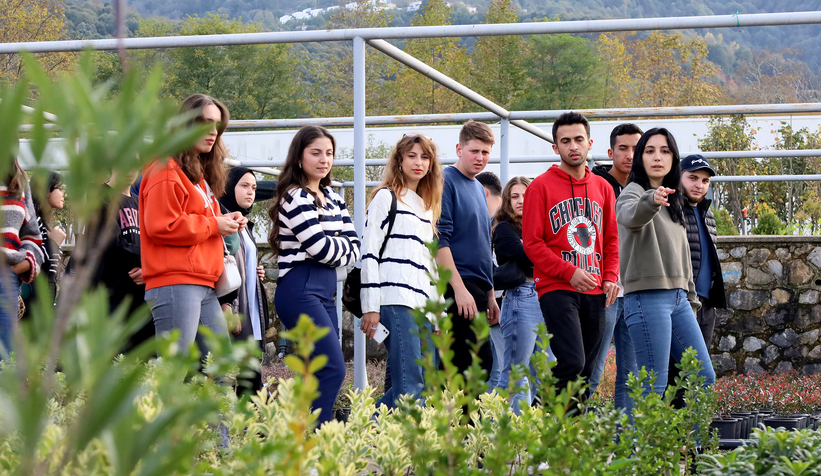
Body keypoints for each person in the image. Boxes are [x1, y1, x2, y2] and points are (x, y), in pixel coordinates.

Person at [615, 128, 716, 415]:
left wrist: (692, 300)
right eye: (649, 151)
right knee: (653, 386)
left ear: (673, 157)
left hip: (679, 300)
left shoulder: (676, 202)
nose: (657, 157)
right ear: (640, 157)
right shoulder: (632, 192)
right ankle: (637, 456)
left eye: (665, 150)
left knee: (703, 377)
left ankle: (696, 454)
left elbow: (683, 258)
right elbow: (630, 217)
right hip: (647, 299)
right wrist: (652, 199)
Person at [522, 112, 619, 404]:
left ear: (590, 143)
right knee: (573, 361)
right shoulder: (540, 186)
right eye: (565, 141)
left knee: (586, 371)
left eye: (579, 139)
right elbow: (532, 244)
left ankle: (567, 436)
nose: (573, 146)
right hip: (557, 287)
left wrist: (611, 277)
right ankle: (541, 410)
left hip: (595, 289)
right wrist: (569, 272)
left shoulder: (603, 188)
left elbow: (612, 239)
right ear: (556, 148)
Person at [140, 94, 246, 357]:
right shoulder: (165, 170)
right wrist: (214, 225)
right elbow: (161, 225)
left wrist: (226, 220)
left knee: (221, 370)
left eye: (217, 126)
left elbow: (196, 218)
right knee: (173, 371)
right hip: (177, 282)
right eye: (205, 123)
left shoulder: (194, 175)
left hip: (201, 283)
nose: (213, 132)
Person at [269, 125, 360, 425]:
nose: (324, 160)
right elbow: (319, 248)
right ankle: (318, 436)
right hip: (299, 288)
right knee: (332, 368)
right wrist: (341, 250)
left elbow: (355, 246)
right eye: (316, 153)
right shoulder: (294, 196)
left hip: (324, 290)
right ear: (299, 157)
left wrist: (339, 250)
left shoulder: (333, 195)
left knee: (315, 371)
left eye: (329, 153)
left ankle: (293, 435)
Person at [359, 133, 442, 409]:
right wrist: (370, 306)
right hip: (395, 300)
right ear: (399, 160)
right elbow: (369, 252)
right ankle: (383, 440)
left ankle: (370, 436)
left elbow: (429, 264)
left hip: (423, 305)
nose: (419, 162)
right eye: (412, 156)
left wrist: (438, 313)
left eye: (425, 157)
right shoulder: (386, 197)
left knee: (424, 383)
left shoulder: (427, 207)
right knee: (411, 385)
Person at [436, 120, 500, 379]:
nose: (480, 157)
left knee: (479, 366)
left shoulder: (477, 187)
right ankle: (454, 420)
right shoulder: (445, 180)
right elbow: (440, 239)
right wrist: (459, 290)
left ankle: (462, 419)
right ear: (459, 148)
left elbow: (484, 245)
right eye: (474, 151)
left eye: (485, 152)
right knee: (470, 365)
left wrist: (491, 294)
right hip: (457, 285)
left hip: (478, 289)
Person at [588, 123, 642, 399]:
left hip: (635, 290)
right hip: (603, 289)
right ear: (611, 152)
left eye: (636, 148)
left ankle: (626, 440)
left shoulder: (648, 190)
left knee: (631, 375)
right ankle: (571, 436)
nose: (630, 155)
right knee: (592, 369)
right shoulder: (596, 187)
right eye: (623, 148)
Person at [666, 154, 726, 399]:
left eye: (704, 180)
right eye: (692, 178)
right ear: (678, 177)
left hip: (706, 305)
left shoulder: (707, 213)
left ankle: (691, 429)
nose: (699, 185)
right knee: (677, 371)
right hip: (681, 302)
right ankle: (670, 429)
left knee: (699, 371)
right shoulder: (670, 209)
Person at [493, 176, 553, 413]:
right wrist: (539, 251)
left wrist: (531, 248)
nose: (520, 201)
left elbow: (551, 257)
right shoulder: (504, 228)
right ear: (507, 200)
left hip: (545, 297)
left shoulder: (542, 226)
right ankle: (493, 435)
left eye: (525, 195)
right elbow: (535, 259)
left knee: (545, 371)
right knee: (515, 373)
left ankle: (527, 433)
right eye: (514, 196)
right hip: (521, 296)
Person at [219, 167, 269, 396]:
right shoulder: (222, 218)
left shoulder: (244, 223)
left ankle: (253, 428)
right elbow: (220, 260)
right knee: (239, 378)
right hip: (237, 308)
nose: (251, 192)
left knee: (251, 376)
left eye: (254, 188)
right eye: (244, 186)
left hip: (252, 310)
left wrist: (254, 270)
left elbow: (239, 261)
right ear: (229, 186)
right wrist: (228, 305)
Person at [91, 170, 151, 352]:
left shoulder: (140, 202)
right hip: (111, 296)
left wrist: (149, 267)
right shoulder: (100, 198)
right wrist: (150, 260)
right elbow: (110, 244)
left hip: (140, 298)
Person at [0, 153, 44, 359]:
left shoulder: (18, 182)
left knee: (4, 362)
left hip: (6, 280)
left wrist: (20, 266)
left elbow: (33, 237)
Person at [476, 171, 505, 388]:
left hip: (500, 303)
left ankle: (490, 420)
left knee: (498, 371)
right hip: (499, 302)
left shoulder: (496, 224)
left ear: (483, 193)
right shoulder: (502, 221)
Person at [22, 171, 65, 314]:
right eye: (60, 188)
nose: (64, 193)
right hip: (33, 306)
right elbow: (44, 269)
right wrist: (54, 244)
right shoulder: (34, 224)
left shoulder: (43, 224)